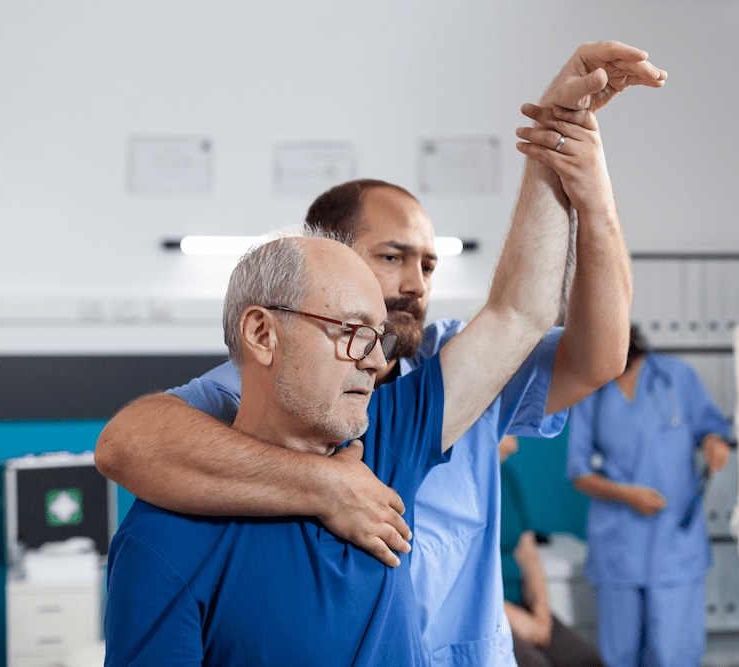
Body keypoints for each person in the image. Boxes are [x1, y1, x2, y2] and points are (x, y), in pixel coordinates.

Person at [96, 41, 667, 666]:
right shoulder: (181, 510)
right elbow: (127, 444)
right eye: (390, 259)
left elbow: (521, 312)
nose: (373, 358)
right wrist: (325, 486)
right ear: (264, 333)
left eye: (428, 265)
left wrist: (560, 138)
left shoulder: (388, 431)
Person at [566, 325, 732, 667]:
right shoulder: (592, 390)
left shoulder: (676, 377)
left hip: (674, 543)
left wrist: (714, 443)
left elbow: (711, 427)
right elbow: (578, 472)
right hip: (619, 544)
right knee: (619, 656)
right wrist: (627, 495)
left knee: (673, 655)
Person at [499, 435, 604, 667]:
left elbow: (528, 552)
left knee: (586, 660)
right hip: (490, 614)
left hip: (522, 603)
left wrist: (541, 613)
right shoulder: (459, 486)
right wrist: (511, 618)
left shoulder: (506, 477)